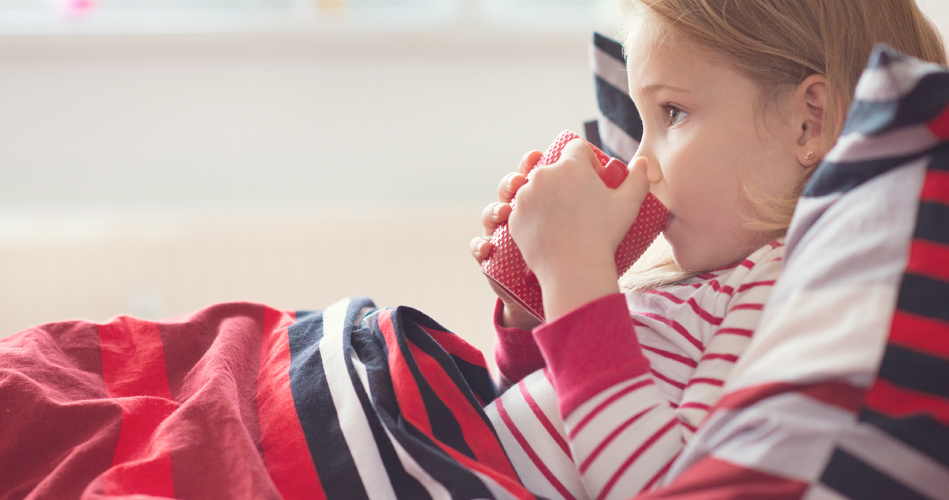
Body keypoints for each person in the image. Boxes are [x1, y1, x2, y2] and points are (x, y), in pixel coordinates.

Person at [469, 1, 948, 499]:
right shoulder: (692, 281)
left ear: (811, 123)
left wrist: (576, 277)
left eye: (672, 113)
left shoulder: (781, 284)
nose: (641, 164)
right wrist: (532, 312)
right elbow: (543, 425)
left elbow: (668, 485)